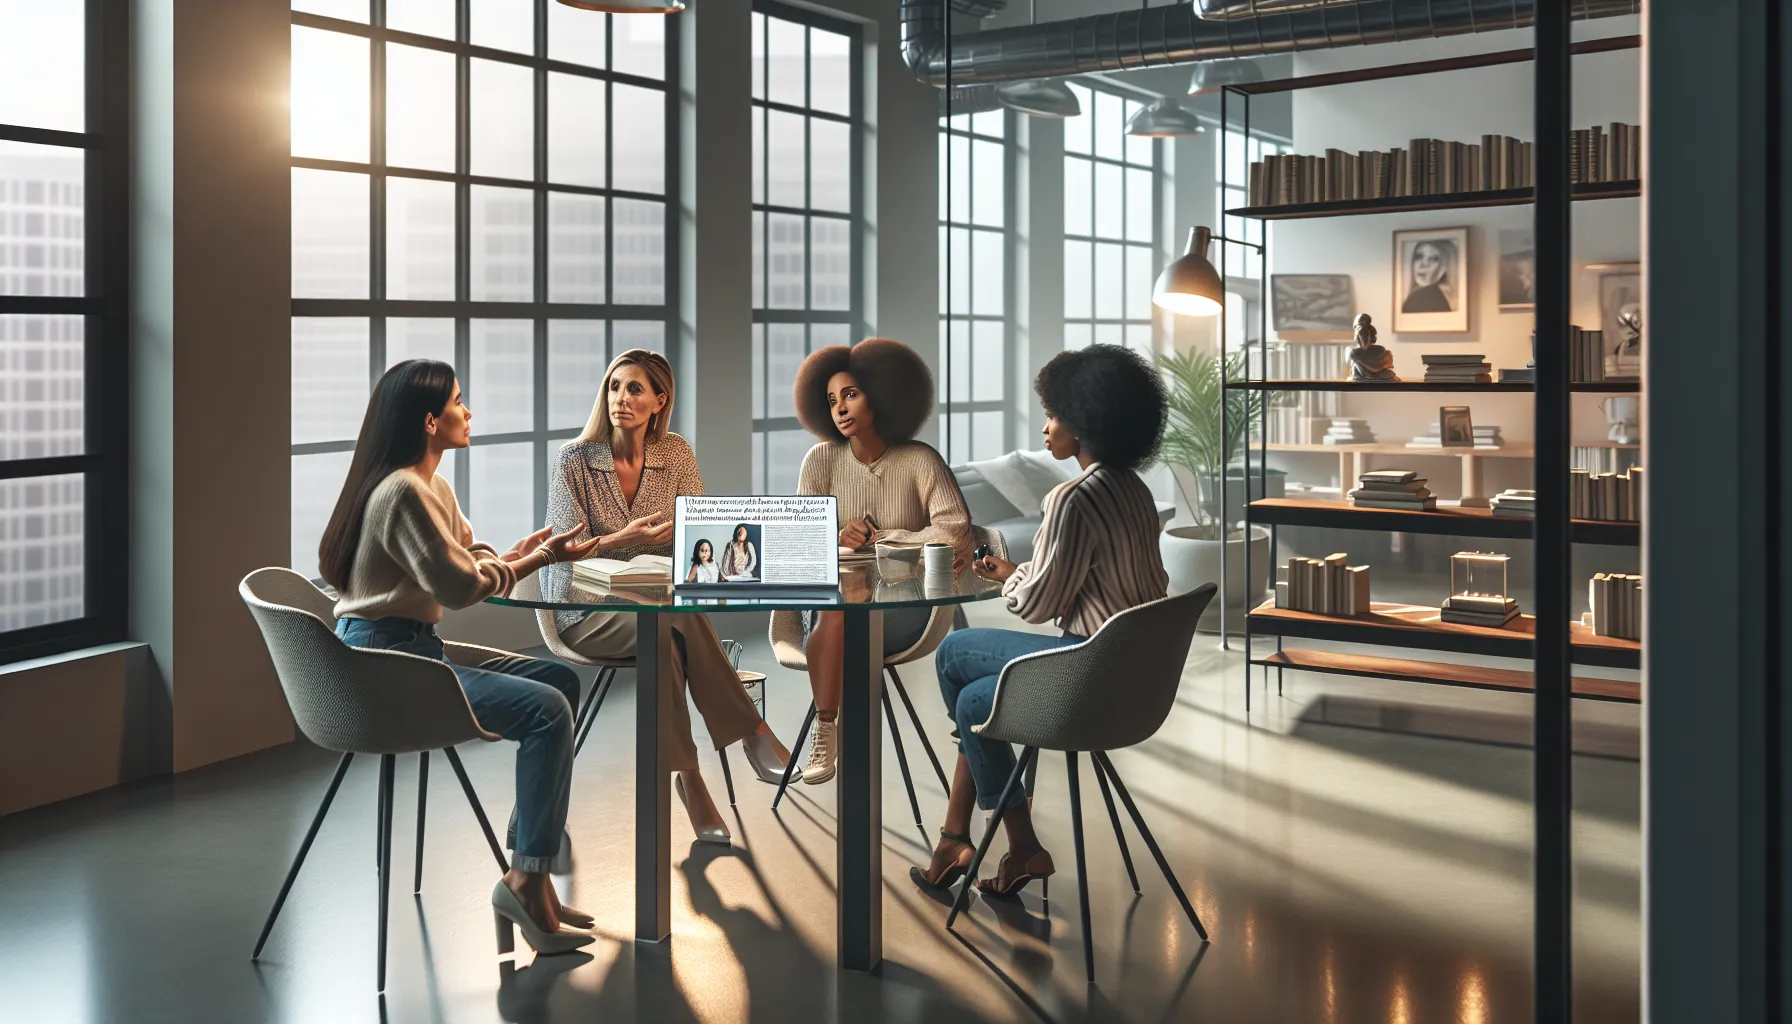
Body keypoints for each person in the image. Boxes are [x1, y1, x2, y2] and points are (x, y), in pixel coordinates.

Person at [322, 359, 600, 955]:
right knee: (547, 711)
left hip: (413, 650)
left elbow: (471, 558)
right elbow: (461, 588)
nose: (468, 411)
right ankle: (527, 881)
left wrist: (518, 552)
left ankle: (530, 864)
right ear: (429, 421)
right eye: (458, 401)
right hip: (380, 666)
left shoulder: (431, 486)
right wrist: (537, 563)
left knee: (559, 682)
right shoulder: (401, 491)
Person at [910, 344, 1170, 900]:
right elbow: (1083, 576)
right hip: (1135, 676)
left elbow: (1036, 605)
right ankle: (960, 839)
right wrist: (1017, 569)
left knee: (963, 683)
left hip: (1085, 675)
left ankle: (1015, 842)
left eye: (1053, 415)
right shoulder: (1135, 492)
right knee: (964, 670)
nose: (1046, 427)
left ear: (1083, 422)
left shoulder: (1073, 498)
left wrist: (1005, 581)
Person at [545, 349, 794, 845]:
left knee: (666, 635)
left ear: (659, 400)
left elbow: (702, 531)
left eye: (635, 389)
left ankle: (692, 779)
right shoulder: (574, 460)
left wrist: (682, 539)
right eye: (615, 387)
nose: (621, 399)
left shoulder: (675, 453)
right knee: (671, 623)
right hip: (585, 610)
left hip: (658, 609)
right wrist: (622, 539)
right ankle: (750, 732)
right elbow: (559, 559)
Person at [788, 338, 972, 785]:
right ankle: (827, 727)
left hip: (904, 612)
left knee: (839, 610)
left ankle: (825, 722)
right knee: (837, 607)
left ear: (882, 393)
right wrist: (837, 538)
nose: (840, 409)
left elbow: (956, 530)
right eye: (831, 400)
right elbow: (798, 544)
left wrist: (886, 537)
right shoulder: (819, 460)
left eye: (850, 394)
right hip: (832, 612)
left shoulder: (920, 460)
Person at [1402, 239, 1455, 313]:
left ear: (1445, 267)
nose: (1423, 265)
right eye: (1419, 257)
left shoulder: (1426, 297)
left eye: (1433, 259)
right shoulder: (1416, 297)